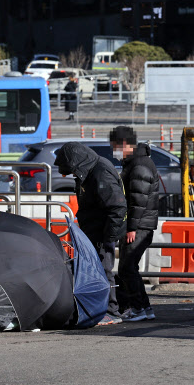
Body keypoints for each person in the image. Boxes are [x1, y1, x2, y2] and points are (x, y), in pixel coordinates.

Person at [54, 142, 127, 325]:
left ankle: (111, 311)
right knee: (98, 269)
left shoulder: (99, 172)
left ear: (76, 162)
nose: (68, 175)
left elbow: (117, 206)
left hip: (103, 231)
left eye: (69, 171)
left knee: (103, 269)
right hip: (95, 230)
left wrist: (108, 237)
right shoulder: (89, 170)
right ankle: (109, 307)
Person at [110, 126, 159, 322]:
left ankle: (138, 308)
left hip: (139, 226)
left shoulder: (139, 165)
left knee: (127, 268)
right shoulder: (135, 162)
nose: (114, 151)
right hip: (140, 225)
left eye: (115, 146)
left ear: (124, 144)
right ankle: (144, 308)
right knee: (129, 268)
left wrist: (131, 228)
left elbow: (138, 200)